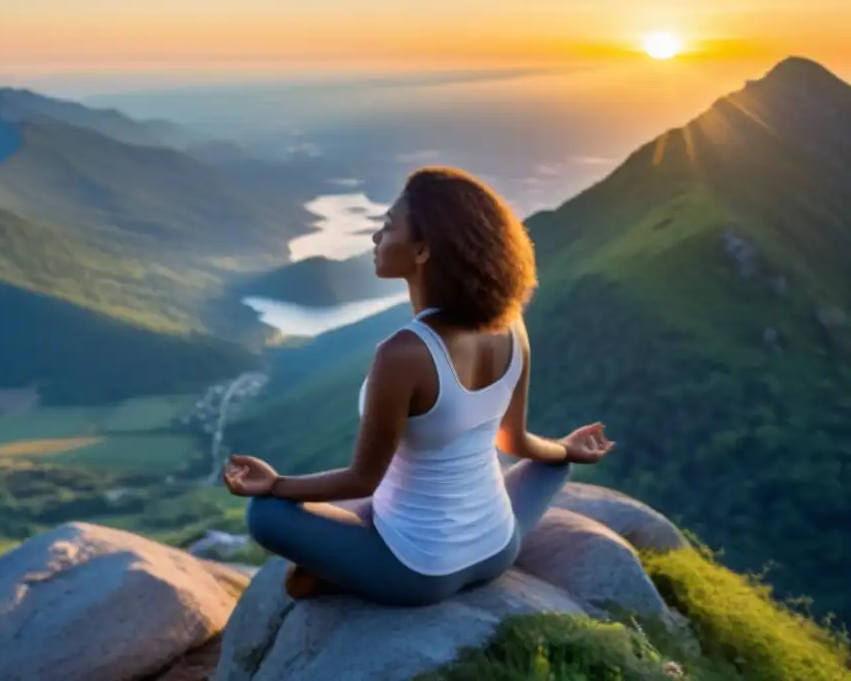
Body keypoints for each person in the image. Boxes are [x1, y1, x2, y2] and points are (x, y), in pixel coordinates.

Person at [223, 166, 614, 607]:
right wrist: (566, 450)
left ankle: (350, 569)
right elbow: (515, 440)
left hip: (418, 573)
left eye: (388, 228)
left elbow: (363, 478)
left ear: (424, 249)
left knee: (266, 515)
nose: (375, 239)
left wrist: (275, 484)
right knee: (554, 464)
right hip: (499, 548)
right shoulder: (512, 327)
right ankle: (351, 560)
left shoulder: (403, 354)